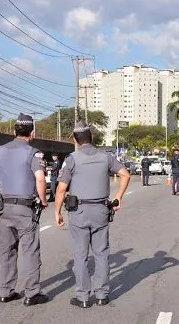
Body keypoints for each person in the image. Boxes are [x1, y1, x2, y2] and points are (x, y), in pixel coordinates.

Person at [0, 113, 49, 307]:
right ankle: (32, 293)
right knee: (30, 251)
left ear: (13, 131)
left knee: (7, 251)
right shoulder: (33, 152)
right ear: (32, 132)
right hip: (25, 208)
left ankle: (6, 291)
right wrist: (43, 199)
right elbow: (40, 178)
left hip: (4, 207)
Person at [54, 119, 130, 309]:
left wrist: (57, 212)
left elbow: (61, 189)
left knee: (80, 255)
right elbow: (126, 174)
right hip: (101, 210)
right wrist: (118, 197)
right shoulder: (106, 156)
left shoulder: (71, 159)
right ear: (92, 137)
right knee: (102, 253)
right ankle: (102, 295)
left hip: (78, 211)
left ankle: (83, 297)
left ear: (75, 139)